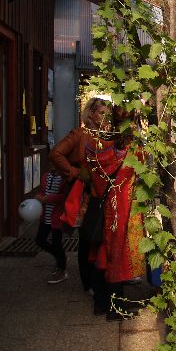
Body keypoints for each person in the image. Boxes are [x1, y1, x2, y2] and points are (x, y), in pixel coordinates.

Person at [85, 104, 145, 321]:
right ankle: (115, 306)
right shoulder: (129, 150)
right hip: (120, 207)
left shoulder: (96, 146)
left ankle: (101, 302)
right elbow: (141, 164)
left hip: (102, 204)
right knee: (117, 254)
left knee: (103, 253)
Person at [49, 96, 111, 295]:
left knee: (99, 236)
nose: (105, 117)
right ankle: (88, 283)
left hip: (102, 192)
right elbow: (56, 153)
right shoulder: (79, 134)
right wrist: (75, 172)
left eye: (107, 114)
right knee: (87, 237)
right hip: (84, 194)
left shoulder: (106, 135)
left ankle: (99, 278)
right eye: (102, 113)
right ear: (91, 114)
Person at [35, 166, 68, 283]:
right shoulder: (46, 175)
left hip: (57, 217)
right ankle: (60, 258)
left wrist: (47, 199)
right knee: (39, 240)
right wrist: (39, 197)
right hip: (46, 216)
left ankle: (62, 270)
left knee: (57, 244)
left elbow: (65, 196)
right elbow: (43, 191)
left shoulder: (65, 177)